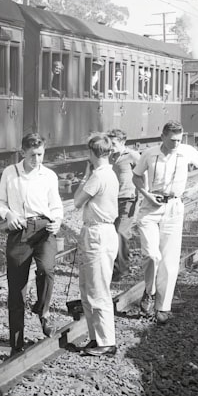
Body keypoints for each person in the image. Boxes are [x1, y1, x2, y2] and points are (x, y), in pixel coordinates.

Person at [0, 132, 65, 355]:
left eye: (41, 154)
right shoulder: (10, 173)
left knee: (47, 269)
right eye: (33, 154)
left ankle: (42, 311)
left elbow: (56, 205)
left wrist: (58, 222)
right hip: (19, 230)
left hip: (44, 229)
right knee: (17, 289)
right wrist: (8, 215)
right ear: (23, 152)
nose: (37, 159)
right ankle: (16, 343)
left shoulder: (49, 175)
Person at [132, 121, 198, 324]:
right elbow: (136, 176)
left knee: (169, 260)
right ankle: (149, 291)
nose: (176, 143)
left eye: (179, 139)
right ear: (163, 137)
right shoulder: (149, 153)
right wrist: (146, 195)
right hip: (151, 207)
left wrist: (196, 187)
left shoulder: (186, 151)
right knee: (151, 255)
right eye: (173, 140)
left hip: (174, 207)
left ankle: (162, 307)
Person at [73, 133, 119, 356]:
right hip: (103, 231)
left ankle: (106, 341)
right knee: (89, 288)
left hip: (97, 233)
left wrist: (84, 177)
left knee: (97, 290)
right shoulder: (110, 174)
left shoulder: (97, 177)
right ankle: (96, 337)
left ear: (91, 153)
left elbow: (76, 201)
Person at [107, 128, 141, 281]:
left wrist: (143, 195)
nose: (111, 146)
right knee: (112, 234)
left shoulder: (133, 156)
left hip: (128, 199)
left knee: (121, 233)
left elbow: (143, 174)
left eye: (113, 143)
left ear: (122, 142)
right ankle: (114, 267)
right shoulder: (110, 157)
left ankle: (123, 270)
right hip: (112, 200)